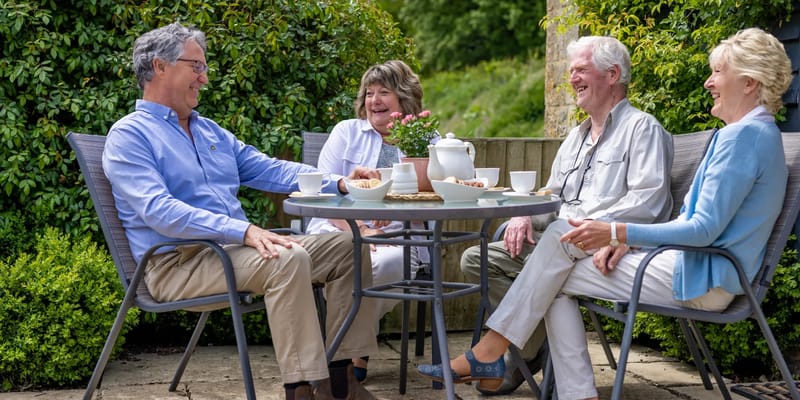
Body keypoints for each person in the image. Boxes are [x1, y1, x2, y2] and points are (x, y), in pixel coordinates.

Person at [421, 27, 792, 400]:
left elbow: (701, 229)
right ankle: (546, 380)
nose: (709, 82)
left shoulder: (741, 138)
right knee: (553, 270)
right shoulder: (757, 134)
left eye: (718, 73)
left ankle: (498, 356)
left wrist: (617, 234)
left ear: (748, 82)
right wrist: (613, 235)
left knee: (554, 266)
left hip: (703, 274)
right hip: (702, 268)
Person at [102, 22, 382, 400]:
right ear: (160, 66)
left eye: (204, 68)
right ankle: (300, 390)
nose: (204, 78)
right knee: (287, 258)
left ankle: (340, 380)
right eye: (196, 67)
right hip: (176, 264)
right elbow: (159, 211)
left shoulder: (211, 132)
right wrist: (243, 230)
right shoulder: (129, 136)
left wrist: (340, 182)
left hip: (234, 253)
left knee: (351, 247)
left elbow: (272, 169)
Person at [458, 35, 674, 395]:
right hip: (561, 243)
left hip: (604, 248)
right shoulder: (576, 136)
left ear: (612, 74)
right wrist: (524, 215)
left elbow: (649, 201)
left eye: (580, 70)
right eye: (570, 70)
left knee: (554, 257)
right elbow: (552, 193)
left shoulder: (643, 128)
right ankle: (532, 350)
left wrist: (593, 226)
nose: (571, 78)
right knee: (479, 259)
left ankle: (506, 354)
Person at [305, 60, 431, 381]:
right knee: (352, 258)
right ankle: (350, 353)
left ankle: (349, 350)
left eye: (384, 92)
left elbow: (433, 196)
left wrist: (383, 229)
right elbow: (326, 191)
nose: (373, 100)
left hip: (399, 234)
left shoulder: (424, 139)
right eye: (368, 93)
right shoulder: (346, 132)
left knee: (384, 262)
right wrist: (360, 228)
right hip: (339, 224)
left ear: (404, 97)